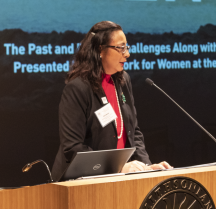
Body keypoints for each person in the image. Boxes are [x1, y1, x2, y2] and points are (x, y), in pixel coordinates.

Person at [52, 20, 172, 181]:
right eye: (120, 48)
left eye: (127, 47)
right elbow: (72, 147)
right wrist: (116, 168)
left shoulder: (122, 80)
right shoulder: (78, 88)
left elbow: (133, 132)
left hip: (116, 179)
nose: (127, 54)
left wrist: (146, 168)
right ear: (100, 49)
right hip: (79, 182)